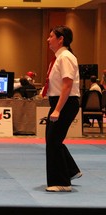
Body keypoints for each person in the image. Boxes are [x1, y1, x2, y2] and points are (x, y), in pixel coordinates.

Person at [43, 25, 82, 192]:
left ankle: (62, 182)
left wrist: (57, 109)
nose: (48, 39)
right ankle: (71, 170)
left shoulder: (65, 57)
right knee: (52, 139)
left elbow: (67, 85)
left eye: (51, 36)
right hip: (60, 102)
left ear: (61, 39)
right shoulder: (59, 58)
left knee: (53, 141)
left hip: (65, 102)